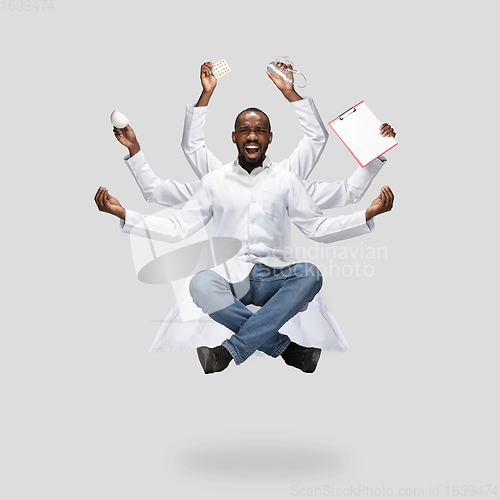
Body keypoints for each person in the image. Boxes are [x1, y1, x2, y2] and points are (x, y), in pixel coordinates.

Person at [108, 61, 396, 364]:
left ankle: (227, 353)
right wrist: (125, 214)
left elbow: (321, 219)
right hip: (228, 279)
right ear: (234, 137)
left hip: (276, 277)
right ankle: (288, 350)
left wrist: (372, 170)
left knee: (310, 275)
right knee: (199, 284)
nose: (252, 136)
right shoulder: (214, 180)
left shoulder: (287, 179)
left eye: (260, 131)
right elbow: (176, 218)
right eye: (244, 130)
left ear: (270, 138)